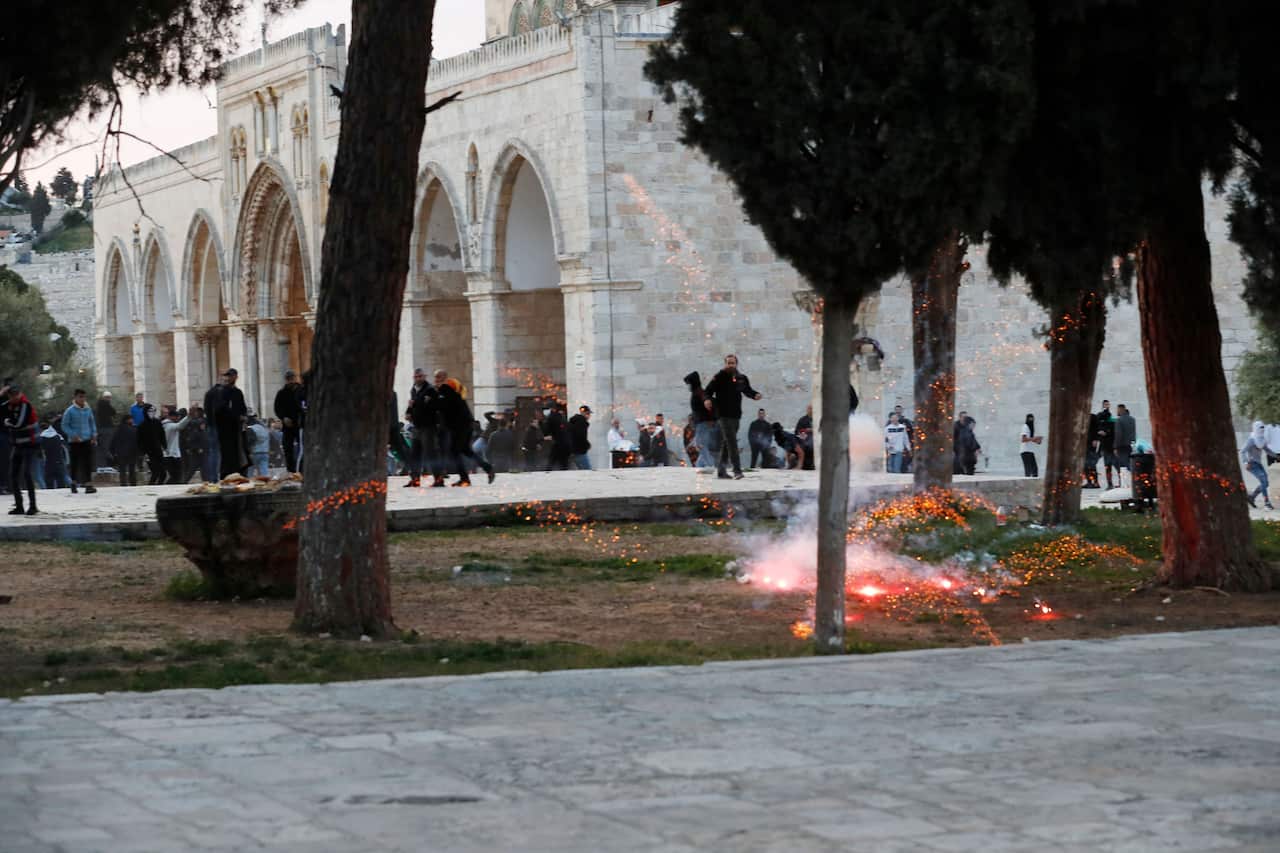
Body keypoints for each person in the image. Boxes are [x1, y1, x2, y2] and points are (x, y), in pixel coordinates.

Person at [703, 354, 762, 480]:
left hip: (736, 415)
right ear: (725, 364)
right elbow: (707, 391)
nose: (730, 365)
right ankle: (737, 470)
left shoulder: (741, 378)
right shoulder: (719, 377)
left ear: (736, 364)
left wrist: (755, 395)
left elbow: (747, 390)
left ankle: (721, 470)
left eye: (733, 363)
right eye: (728, 363)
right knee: (732, 442)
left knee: (727, 442)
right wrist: (707, 400)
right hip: (723, 414)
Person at [437, 377, 494, 485]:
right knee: (466, 451)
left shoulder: (446, 396)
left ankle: (465, 478)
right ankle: (487, 469)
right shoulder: (455, 396)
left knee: (455, 452)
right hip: (465, 427)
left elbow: (442, 412)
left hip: (459, 429)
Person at [3, 384, 39, 514]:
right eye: (12, 395)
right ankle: (19, 506)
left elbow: (20, 423)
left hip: (30, 445)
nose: (15, 397)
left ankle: (33, 506)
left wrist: (8, 423)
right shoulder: (9, 405)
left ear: (20, 393)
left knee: (27, 474)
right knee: (13, 475)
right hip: (17, 445)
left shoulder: (25, 405)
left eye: (16, 394)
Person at [406, 368, 442, 487]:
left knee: (431, 452)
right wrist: (409, 412)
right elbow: (412, 404)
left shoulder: (430, 390)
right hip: (416, 426)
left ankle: (438, 479)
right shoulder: (413, 390)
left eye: (420, 376)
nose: (418, 379)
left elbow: (431, 406)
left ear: (424, 377)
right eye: (416, 377)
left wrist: (415, 404)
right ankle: (415, 479)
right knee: (415, 453)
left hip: (428, 426)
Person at [211, 369, 248, 478]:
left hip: (236, 428)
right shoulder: (221, 392)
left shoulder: (237, 392)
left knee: (238, 452)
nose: (229, 378)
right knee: (227, 453)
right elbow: (219, 410)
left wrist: (243, 417)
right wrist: (236, 416)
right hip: (225, 428)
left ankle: (238, 473)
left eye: (231, 376)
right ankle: (226, 475)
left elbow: (242, 408)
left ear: (236, 377)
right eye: (228, 376)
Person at [61, 388, 99, 494]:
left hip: (86, 439)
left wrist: (94, 434)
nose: (82, 399)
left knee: (87, 462)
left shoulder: (88, 409)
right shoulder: (70, 411)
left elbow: (92, 422)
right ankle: (73, 483)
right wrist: (73, 435)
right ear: (75, 397)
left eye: (83, 397)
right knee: (75, 463)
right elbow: (64, 425)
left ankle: (88, 484)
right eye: (80, 397)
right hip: (75, 441)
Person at [684, 372, 718, 469]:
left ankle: (709, 464)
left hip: (703, 423)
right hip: (700, 423)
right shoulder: (696, 391)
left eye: (689, 384)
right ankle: (700, 466)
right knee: (699, 444)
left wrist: (711, 418)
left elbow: (705, 398)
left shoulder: (699, 391)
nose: (688, 386)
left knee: (700, 444)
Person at [273, 369, 304, 473]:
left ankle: (302, 469)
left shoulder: (301, 390)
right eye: (288, 378)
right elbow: (277, 408)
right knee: (288, 448)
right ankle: (291, 470)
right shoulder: (282, 393)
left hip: (300, 424)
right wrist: (284, 417)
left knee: (302, 448)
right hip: (287, 425)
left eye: (292, 378)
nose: (290, 380)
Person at [1242, 421, 1273, 509]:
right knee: (1264, 482)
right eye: (1260, 428)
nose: (1262, 429)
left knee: (1265, 483)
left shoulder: (1262, 439)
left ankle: (1251, 497)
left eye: (1263, 427)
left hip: (1258, 464)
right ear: (1256, 428)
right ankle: (1267, 503)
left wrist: (1277, 456)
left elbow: (1268, 450)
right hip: (1251, 464)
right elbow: (1242, 451)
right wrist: (1245, 462)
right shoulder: (1251, 440)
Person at [137, 405, 167, 484]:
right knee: (155, 473)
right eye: (150, 411)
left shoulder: (157, 423)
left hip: (158, 451)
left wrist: (165, 447)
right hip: (149, 453)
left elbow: (162, 435)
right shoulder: (141, 426)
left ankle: (158, 488)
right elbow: (139, 441)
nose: (152, 413)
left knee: (163, 474)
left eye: (153, 411)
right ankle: (150, 488)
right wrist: (143, 453)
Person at [161, 406, 191, 484]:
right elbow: (180, 426)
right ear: (171, 417)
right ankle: (166, 488)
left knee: (176, 476)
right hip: (172, 456)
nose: (178, 418)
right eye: (176, 416)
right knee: (176, 476)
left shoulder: (164, 425)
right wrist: (189, 416)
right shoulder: (169, 425)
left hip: (169, 455)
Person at [1093, 399, 1117, 489]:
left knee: (1113, 464)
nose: (1107, 405)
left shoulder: (1111, 417)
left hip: (1110, 445)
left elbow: (1113, 430)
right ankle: (1109, 483)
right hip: (1104, 445)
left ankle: (1114, 483)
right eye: (1105, 404)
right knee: (1107, 465)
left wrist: (1105, 432)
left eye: (1108, 404)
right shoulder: (1100, 416)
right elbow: (1098, 426)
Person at [110, 414, 139, 487]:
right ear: (127, 420)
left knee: (122, 469)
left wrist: (113, 451)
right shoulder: (134, 429)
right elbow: (137, 441)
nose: (132, 420)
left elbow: (114, 440)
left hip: (121, 453)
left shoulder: (119, 429)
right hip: (132, 452)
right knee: (131, 469)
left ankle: (123, 483)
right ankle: (133, 483)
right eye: (131, 419)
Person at [39, 418, 69, 489]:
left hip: (48, 461)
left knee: (49, 481)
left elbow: (41, 451)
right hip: (59, 460)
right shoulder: (58, 436)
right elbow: (64, 449)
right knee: (61, 481)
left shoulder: (42, 438)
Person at [543, 402, 572, 471]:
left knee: (552, 460)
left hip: (558, 443)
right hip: (565, 443)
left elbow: (547, 430)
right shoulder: (561, 416)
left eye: (546, 409)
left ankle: (547, 472)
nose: (544, 411)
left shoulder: (551, 417)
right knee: (563, 462)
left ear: (552, 409)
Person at [1113, 403, 1136, 479]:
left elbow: (1118, 434)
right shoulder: (1132, 419)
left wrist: (1115, 447)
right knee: (1128, 463)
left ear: (1120, 410)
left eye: (1117, 410)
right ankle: (1131, 479)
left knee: (1123, 465)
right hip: (1130, 445)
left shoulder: (1119, 420)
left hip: (1121, 445)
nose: (1117, 411)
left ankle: (1125, 482)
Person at [245, 411, 271, 477]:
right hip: (265, 452)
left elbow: (251, 440)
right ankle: (265, 484)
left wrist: (249, 451)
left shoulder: (250, 428)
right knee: (264, 471)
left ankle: (249, 484)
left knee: (250, 471)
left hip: (254, 452)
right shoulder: (264, 428)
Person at [95, 391, 116, 468]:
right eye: (108, 398)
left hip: (99, 429)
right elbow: (114, 412)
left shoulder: (98, 405)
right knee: (105, 447)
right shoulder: (107, 404)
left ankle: (100, 465)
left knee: (100, 448)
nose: (109, 399)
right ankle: (105, 464)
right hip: (107, 428)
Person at [568, 405, 593, 469]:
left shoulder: (575, 421)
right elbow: (581, 436)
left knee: (582, 470)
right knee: (587, 470)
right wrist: (587, 445)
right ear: (584, 413)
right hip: (579, 451)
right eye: (588, 413)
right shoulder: (581, 422)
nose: (589, 415)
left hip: (574, 450)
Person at [1019, 413, 1042, 478]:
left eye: (1032, 418)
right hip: (1025, 451)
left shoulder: (1030, 428)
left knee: (1034, 469)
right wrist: (1035, 438)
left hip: (1030, 451)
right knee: (1028, 469)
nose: (1031, 420)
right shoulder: (1025, 426)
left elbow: (1029, 439)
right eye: (1030, 418)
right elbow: (1023, 439)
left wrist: (1037, 441)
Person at [794, 405, 815, 471]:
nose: (811, 410)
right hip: (805, 442)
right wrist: (806, 431)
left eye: (812, 409)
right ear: (807, 410)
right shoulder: (802, 420)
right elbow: (797, 432)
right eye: (809, 409)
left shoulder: (817, 418)